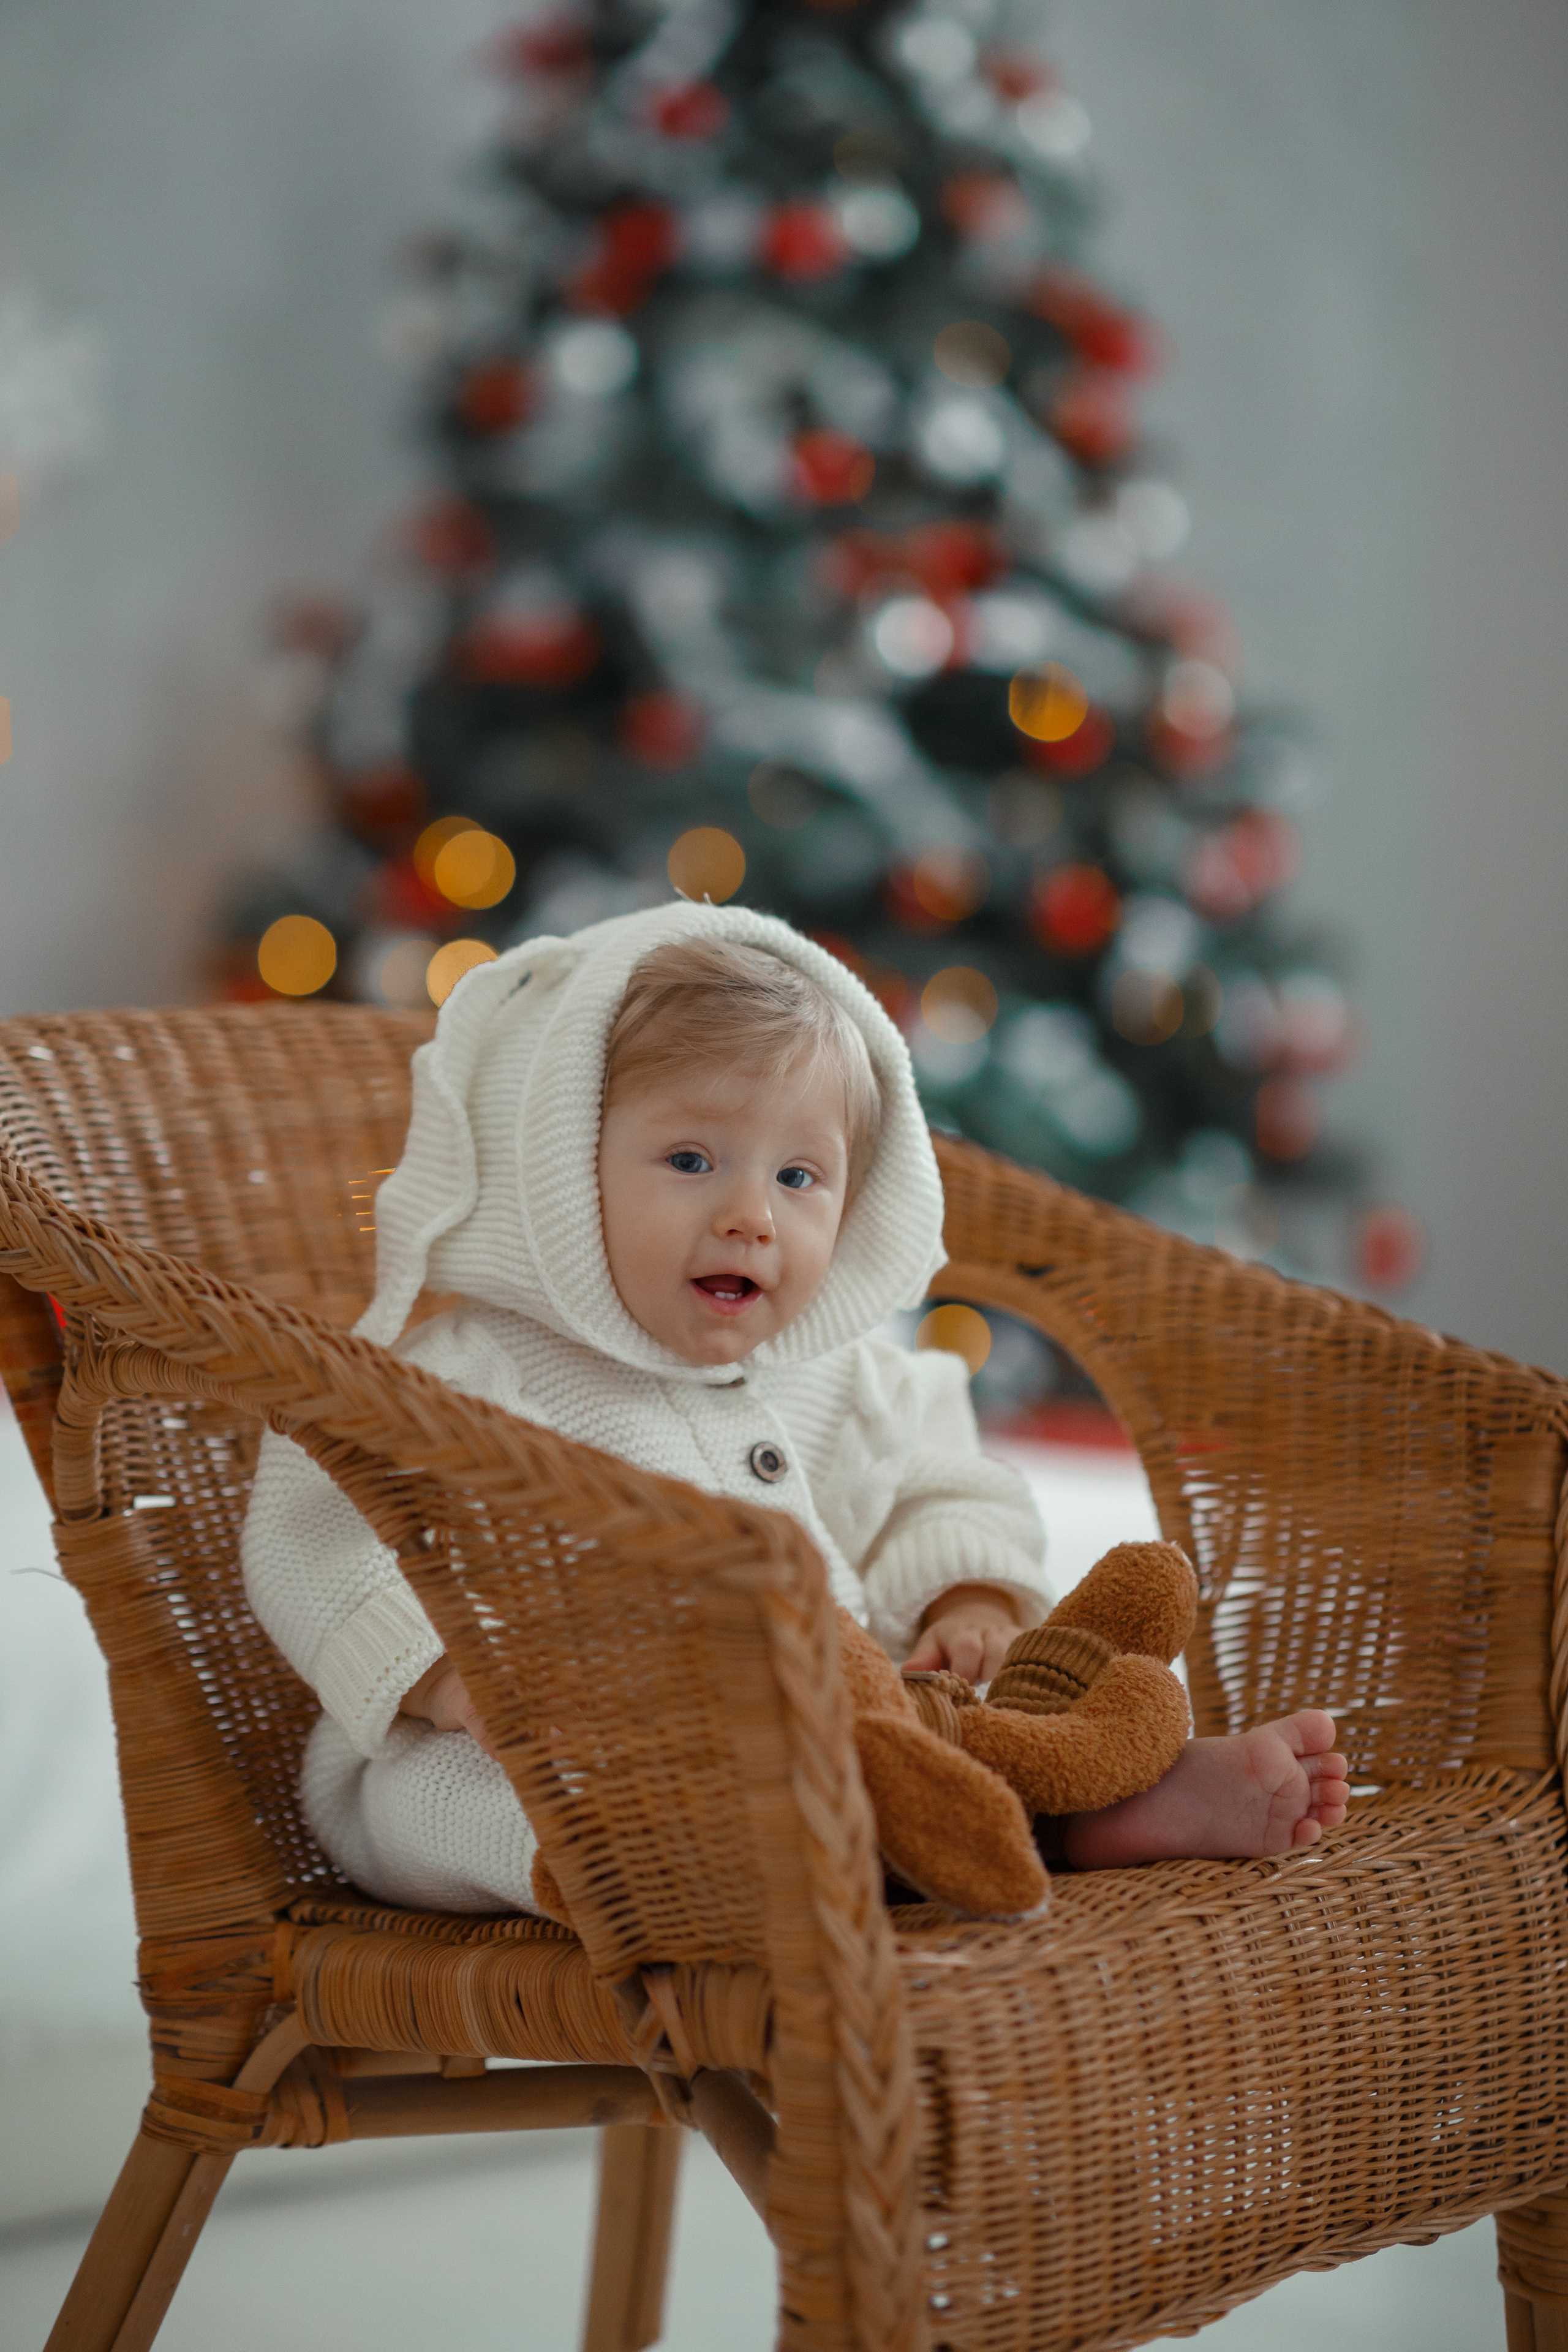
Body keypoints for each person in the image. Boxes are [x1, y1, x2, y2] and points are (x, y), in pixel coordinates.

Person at [242, 900, 1347, 1913]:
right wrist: (452, 1679)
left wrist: (969, 1601)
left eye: (798, 1177)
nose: (751, 1216)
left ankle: (1098, 1799)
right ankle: (792, 1853)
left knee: (1004, 1710)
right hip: (540, 1744)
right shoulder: (462, 1376)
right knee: (471, 1801)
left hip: (858, 1732)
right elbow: (313, 1528)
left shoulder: (841, 1371)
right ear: (562, 1168)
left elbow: (941, 1486)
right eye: (690, 1159)